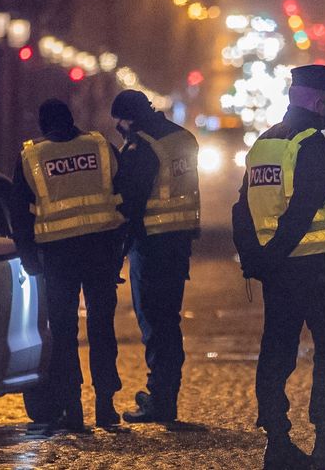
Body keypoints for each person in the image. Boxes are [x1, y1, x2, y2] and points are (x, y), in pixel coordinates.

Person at [232, 65, 325, 470]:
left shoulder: (264, 144)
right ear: (317, 101)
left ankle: (276, 443)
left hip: (277, 273)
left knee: (276, 351)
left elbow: (241, 208)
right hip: (314, 270)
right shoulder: (312, 144)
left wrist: (254, 258)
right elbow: (301, 213)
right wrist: (273, 256)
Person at [11, 99, 128, 432]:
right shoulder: (101, 147)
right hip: (101, 251)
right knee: (102, 327)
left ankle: (72, 408)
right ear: (72, 119)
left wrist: (29, 258)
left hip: (58, 256)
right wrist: (121, 245)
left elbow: (19, 213)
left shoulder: (31, 157)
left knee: (64, 333)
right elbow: (125, 195)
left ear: (43, 124)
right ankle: (106, 405)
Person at [110, 89, 201, 423]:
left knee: (154, 324)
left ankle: (160, 399)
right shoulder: (183, 138)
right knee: (169, 320)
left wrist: (117, 253)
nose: (119, 129)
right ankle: (166, 395)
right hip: (179, 244)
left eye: (119, 122)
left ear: (127, 118)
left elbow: (131, 205)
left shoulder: (141, 145)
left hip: (150, 246)